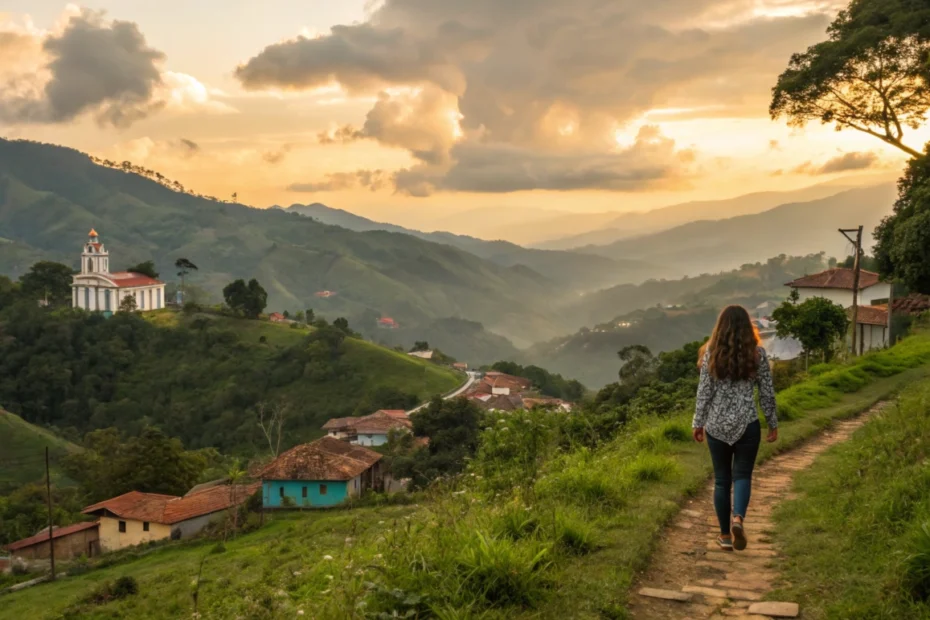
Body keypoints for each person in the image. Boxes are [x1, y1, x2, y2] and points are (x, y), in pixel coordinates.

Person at [692, 305, 778, 551]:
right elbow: (767, 394)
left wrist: (698, 422)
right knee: (742, 476)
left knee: (721, 481)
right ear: (747, 328)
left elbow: (704, 393)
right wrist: (772, 422)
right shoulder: (758, 355)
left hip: (716, 426)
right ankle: (737, 518)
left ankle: (725, 537)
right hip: (747, 424)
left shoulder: (711, 354)